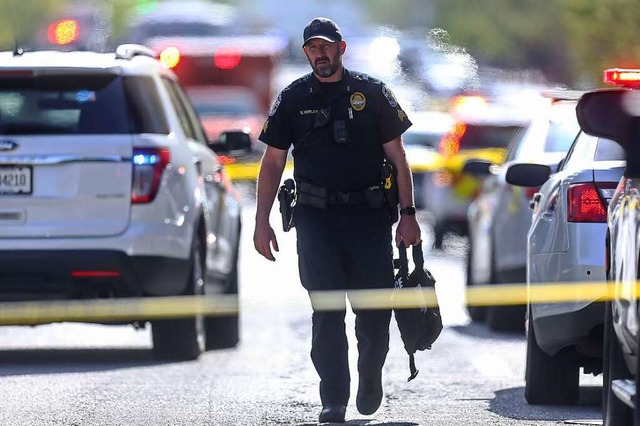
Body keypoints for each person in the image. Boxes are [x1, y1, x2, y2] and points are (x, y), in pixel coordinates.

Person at [253, 17, 421, 424]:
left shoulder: (372, 91)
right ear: (306, 52)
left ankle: (369, 375)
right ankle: (333, 398)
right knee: (326, 312)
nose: (320, 53)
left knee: (373, 313)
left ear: (341, 48)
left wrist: (409, 215)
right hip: (317, 221)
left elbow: (398, 157)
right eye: (312, 47)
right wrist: (261, 222)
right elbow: (273, 162)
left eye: (326, 46)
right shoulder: (293, 98)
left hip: (368, 219)